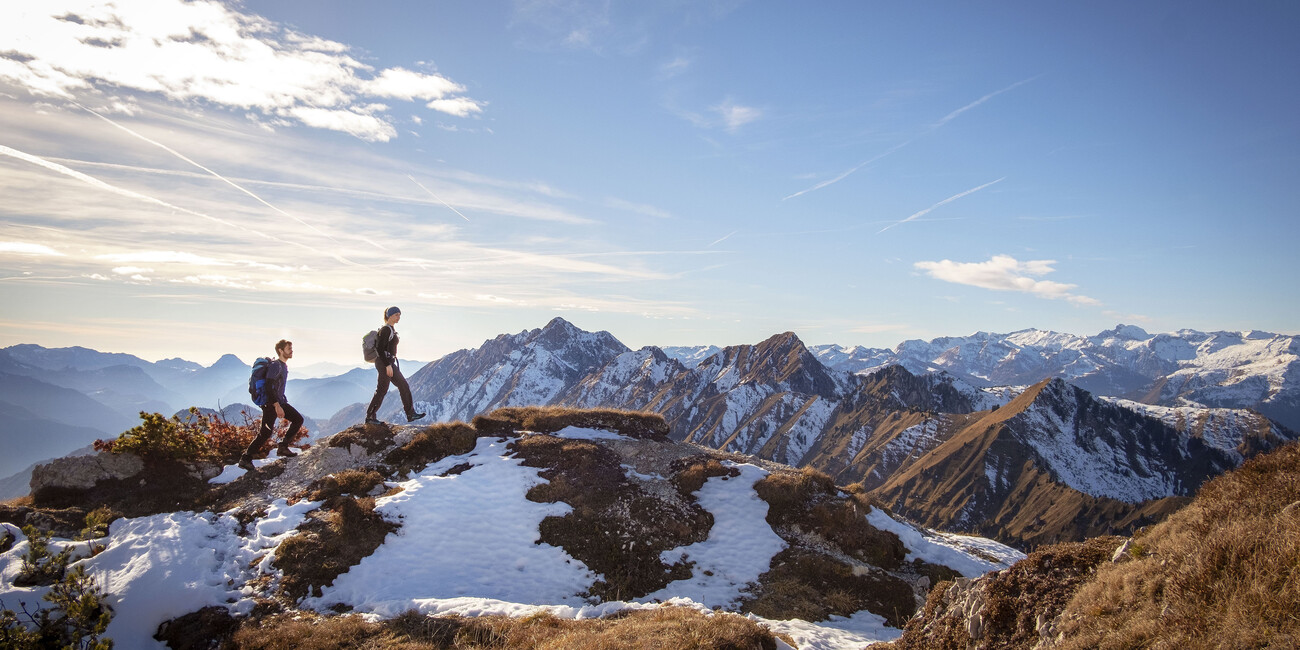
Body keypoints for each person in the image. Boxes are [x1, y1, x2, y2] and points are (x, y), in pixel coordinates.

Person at [238, 340, 304, 470]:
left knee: (298, 419)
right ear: (280, 350)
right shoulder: (276, 366)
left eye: (292, 348)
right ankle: (245, 459)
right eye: (288, 348)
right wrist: (276, 405)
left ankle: (283, 447)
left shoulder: (283, 366)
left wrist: (280, 403)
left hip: (279, 401)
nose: (291, 351)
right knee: (265, 433)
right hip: (271, 404)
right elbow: (268, 386)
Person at [365, 306, 426, 425]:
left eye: (399, 315)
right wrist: (387, 365)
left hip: (390, 362)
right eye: (397, 315)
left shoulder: (391, 329)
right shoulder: (386, 330)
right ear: (390, 315)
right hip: (384, 363)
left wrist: (390, 363)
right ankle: (370, 417)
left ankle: (410, 414)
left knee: (404, 386)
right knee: (382, 390)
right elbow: (380, 348)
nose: (399, 317)